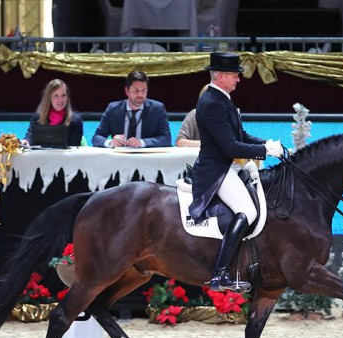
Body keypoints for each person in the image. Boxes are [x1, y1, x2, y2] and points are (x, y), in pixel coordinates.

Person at [189, 52, 283, 291]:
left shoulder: (223, 99)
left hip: (228, 166)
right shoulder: (211, 102)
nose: (238, 80)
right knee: (247, 211)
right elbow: (229, 146)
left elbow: (240, 136)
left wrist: (268, 145)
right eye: (234, 75)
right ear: (221, 77)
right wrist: (264, 150)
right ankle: (220, 273)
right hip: (216, 171)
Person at [92, 70, 171, 148]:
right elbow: (96, 138)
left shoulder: (157, 109)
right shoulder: (113, 109)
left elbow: (166, 139)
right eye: (136, 91)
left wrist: (142, 142)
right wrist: (110, 142)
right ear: (127, 91)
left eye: (143, 90)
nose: (140, 95)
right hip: (119, 158)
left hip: (148, 158)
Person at [21, 79, 84, 147]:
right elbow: (30, 135)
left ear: (67, 97)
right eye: (56, 95)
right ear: (49, 98)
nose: (60, 99)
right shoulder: (37, 117)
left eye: (63, 95)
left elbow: (74, 148)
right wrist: (26, 141)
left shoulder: (75, 120)